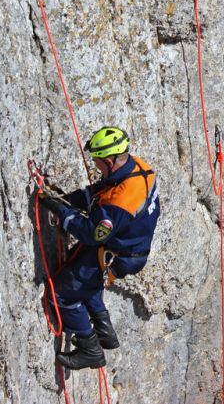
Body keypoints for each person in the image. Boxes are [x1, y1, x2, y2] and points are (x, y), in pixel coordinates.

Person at [39, 126, 160, 370]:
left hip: (118, 253)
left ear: (109, 161)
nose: (96, 168)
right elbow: (103, 191)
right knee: (85, 278)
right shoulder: (138, 167)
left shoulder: (123, 200)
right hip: (127, 246)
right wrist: (70, 199)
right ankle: (105, 331)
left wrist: (63, 213)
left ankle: (90, 348)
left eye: (97, 163)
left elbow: (91, 233)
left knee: (62, 292)